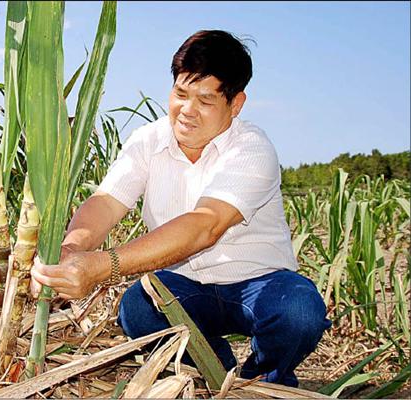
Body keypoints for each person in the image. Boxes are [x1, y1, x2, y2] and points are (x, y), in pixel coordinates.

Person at [30, 29, 331, 388]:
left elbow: (206, 226)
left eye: (205, 101)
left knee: (298, 310)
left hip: (257, 282)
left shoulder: (251, 148)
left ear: (235, 104)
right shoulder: (148, 141)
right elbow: (106, 203)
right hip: (186, 285)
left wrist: (101, 267)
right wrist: (71, 251)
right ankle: (217, 375)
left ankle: (262, 377)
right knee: (137, 308)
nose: (187, 111)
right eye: (180, 93)